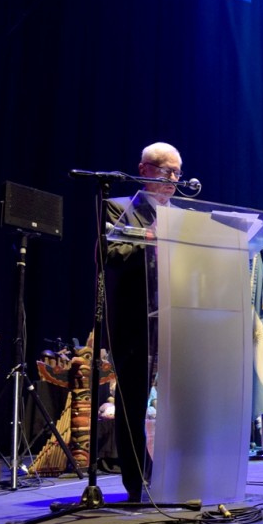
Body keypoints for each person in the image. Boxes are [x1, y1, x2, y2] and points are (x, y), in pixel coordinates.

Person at [104, 142, 182, 502]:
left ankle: (183, 469)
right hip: (137, 321)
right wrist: (152, 240)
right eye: (167, 171)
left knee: (183, 400)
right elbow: (113, 255)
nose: (173, 179)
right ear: (144, 169)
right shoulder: (118, 209)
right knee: (133, 402)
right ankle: (138, 481)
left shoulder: (184, 216)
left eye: (177, 173)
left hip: (180, 320)